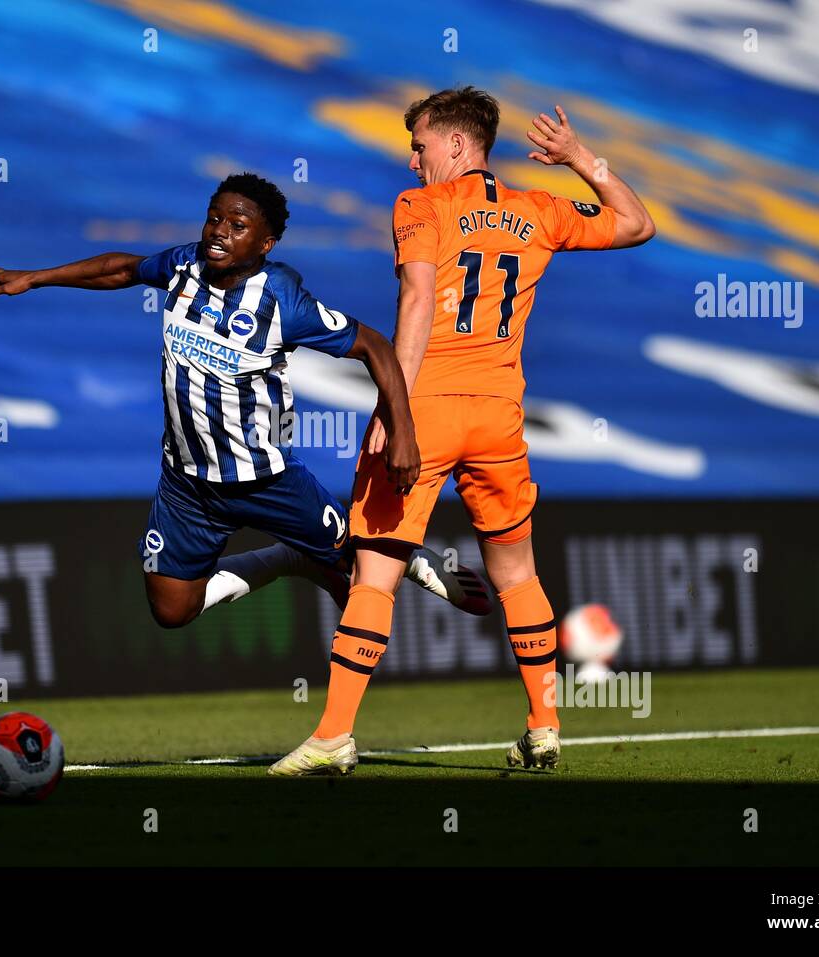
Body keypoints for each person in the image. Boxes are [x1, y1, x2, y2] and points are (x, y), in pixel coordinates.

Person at [270, 89, 655, 776]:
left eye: (419, 144)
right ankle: (543, 726)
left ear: (455, 144)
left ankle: (332, 735)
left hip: (432, 408)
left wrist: (396, 409)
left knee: (374, 573)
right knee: (517, 575)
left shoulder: (420, 207)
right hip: (500, 415)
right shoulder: (536, 209)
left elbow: (417, 300)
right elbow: (637, 224)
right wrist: (579, 159)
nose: (412, 158)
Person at [0, 172, 492, 633]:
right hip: (187, 484)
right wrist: (35, 277)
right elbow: (122, 270)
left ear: (266, 243)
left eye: (238, 224)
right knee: (171, 609)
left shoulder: (282, 300)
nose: (219, 231)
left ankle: (414, 558)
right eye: (214, 218)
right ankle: (288, 559)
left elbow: (374, 346)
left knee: (360, 570)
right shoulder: (185, 266)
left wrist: (402, 429)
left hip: (266, 479)